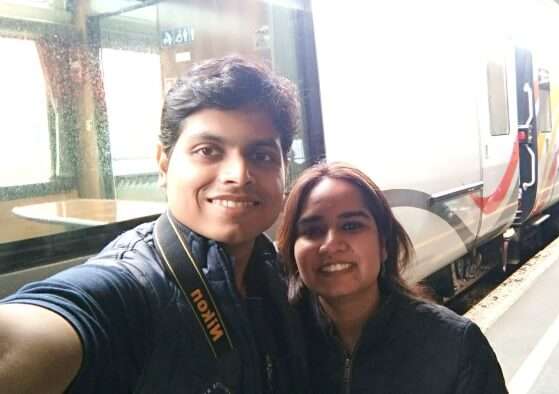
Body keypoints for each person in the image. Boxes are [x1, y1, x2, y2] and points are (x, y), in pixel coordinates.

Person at [0, 55, 308, 393]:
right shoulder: (129, 288)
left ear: (284, 171)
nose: (238, 175)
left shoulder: (279, 274)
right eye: (208, 151)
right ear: (164, 163)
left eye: (261, 156)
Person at [276, 163, 508, 394]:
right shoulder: (275, 340)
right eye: (312, 231)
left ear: (384, 244)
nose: (330, 245)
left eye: (351, 226)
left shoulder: (456, 346)